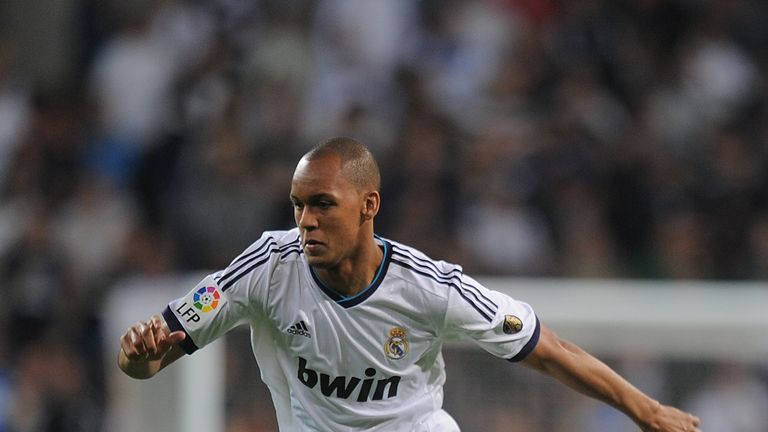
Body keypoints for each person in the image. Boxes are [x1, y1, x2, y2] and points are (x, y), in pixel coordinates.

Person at [118, 136, 701, 431]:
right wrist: (139, 358)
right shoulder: (267, 267)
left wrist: (645, 410)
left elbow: (548, 350)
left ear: (369, 204)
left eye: (322, 204)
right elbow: (154, 356)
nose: (305, 222)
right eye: (298, 206)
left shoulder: (429, 288)